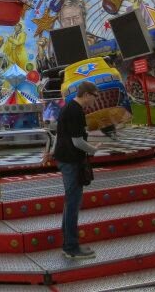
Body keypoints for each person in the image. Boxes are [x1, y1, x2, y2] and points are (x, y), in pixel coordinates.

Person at [46, 81, 100, 260]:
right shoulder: (76, 111)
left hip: (64, 158)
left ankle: (69, 244)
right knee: (73, 204)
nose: (95, 99)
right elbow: (77, 141)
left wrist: (52, 152)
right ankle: (71, 247)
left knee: (70, 203)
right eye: (95, 95)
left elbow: (60, 135)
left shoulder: (68, 107)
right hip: (71, 160)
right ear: (86, 94)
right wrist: (93, 149)